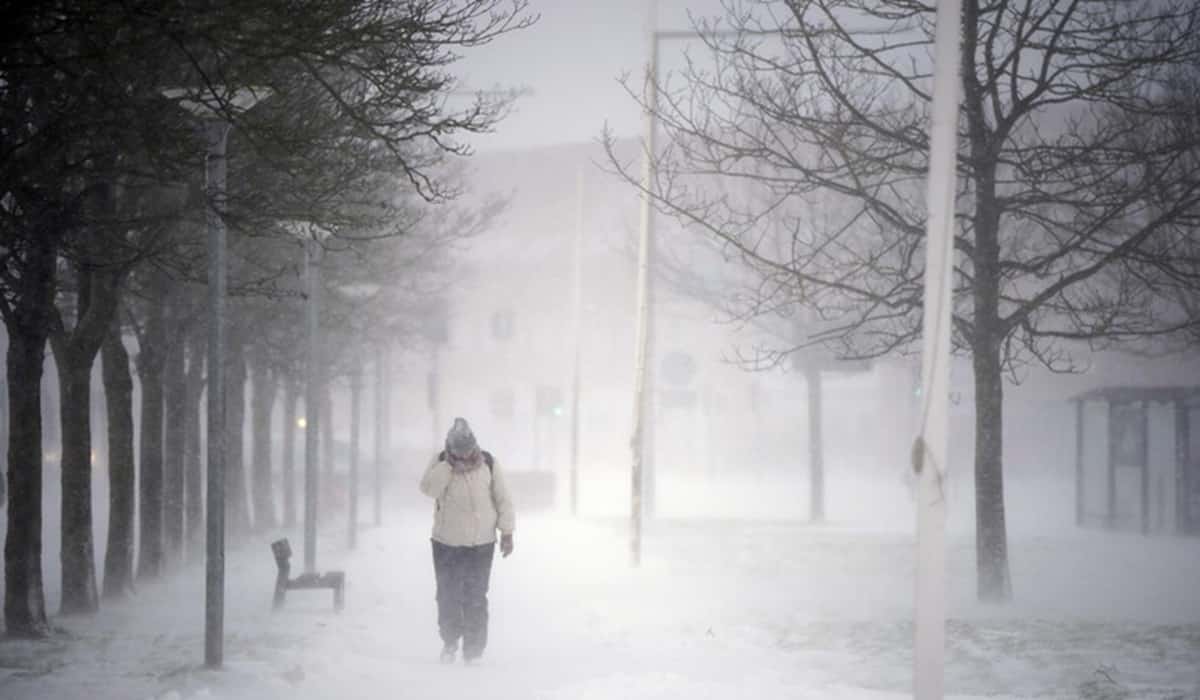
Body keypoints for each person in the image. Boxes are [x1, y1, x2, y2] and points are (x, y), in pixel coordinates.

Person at [419, 417, 515, 665]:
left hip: (481, 544)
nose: (465, 456)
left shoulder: (488, 463)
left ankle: (473, 650)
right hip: (446, 543)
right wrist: (448, 466)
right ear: (451, 448)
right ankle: (450, 641)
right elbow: (428, 489)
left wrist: (507, 532)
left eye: (468, 450)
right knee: (448, 595)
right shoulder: (441, 463)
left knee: (476, 596)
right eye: (459, 452)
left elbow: (503, 498)